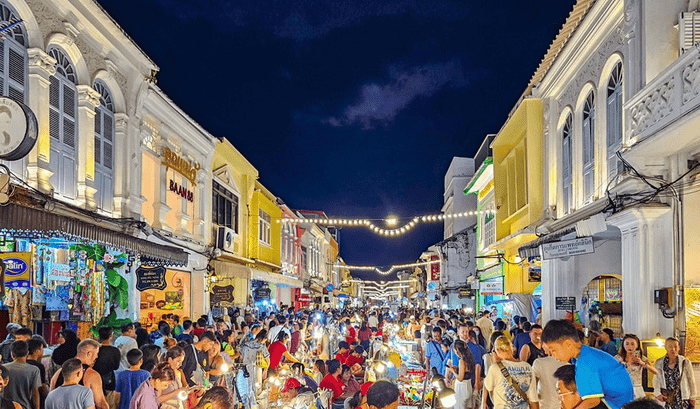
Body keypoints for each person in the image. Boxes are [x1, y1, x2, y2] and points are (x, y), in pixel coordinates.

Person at [542, 319, 634, 409]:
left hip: (616, 404)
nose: (551, 355)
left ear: (568, 344)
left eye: (553, 350)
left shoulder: (586, 361)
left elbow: (593, 400)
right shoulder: (585, 355)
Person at [50, 339, 109, 409]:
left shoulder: (59, 372)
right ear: (89, 353)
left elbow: (51, 400)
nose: (97, 357)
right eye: (96, 353)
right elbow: (100, 404)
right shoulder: (91, 374)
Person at [483, 336, 537, 409]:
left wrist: (496, 363)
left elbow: (488, 387)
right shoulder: (527, 366)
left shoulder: (495, 368)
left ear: (498, 350)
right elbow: (533, 399)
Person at [653, 337, 697, 409]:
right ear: (666, 348)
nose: (673, 349)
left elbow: (691, 380)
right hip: (667, 399)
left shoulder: (685, 362)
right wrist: (657, 393)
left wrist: (693, 397)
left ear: (679, 347)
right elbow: (656, 380)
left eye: (675, 346)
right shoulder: (659, 363)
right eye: (670, 347)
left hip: (682, 399)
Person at [615, 334, 658, 399]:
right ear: (623, 345)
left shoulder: (641, 358)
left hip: (637, 388)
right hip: (622, 388)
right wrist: (627, 364)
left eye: (632, 344)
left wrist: (642, 363)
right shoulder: (618, 358)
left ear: (637, 345)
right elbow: (613, 372)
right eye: (627, 344)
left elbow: (656, 371)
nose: (629, 346)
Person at [4, 341, 40, 409]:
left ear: (12, 354)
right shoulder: (34, 370)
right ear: (27, 353)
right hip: (25, 406)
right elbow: (35, 393)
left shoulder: (3, 368)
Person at [445, 340, 474, 409]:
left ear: (457, 350)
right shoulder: (469, 358)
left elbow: (460, 378)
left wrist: (453, 371)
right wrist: (456, 368)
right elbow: (465, 370)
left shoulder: (461, 361)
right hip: (468, 387)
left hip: (462, 388)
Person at [92, 327, 120, 394]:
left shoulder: (95, 349)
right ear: (110, 336)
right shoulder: (115, 351)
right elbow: (116, 366)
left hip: (95, 378)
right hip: (109, 379)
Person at [26, 338, 48, 408]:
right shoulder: (39, 366)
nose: (43, 351)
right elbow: (41, 386)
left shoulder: (23, 363)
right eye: (42, 349)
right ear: (36, 351)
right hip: (36, 400)